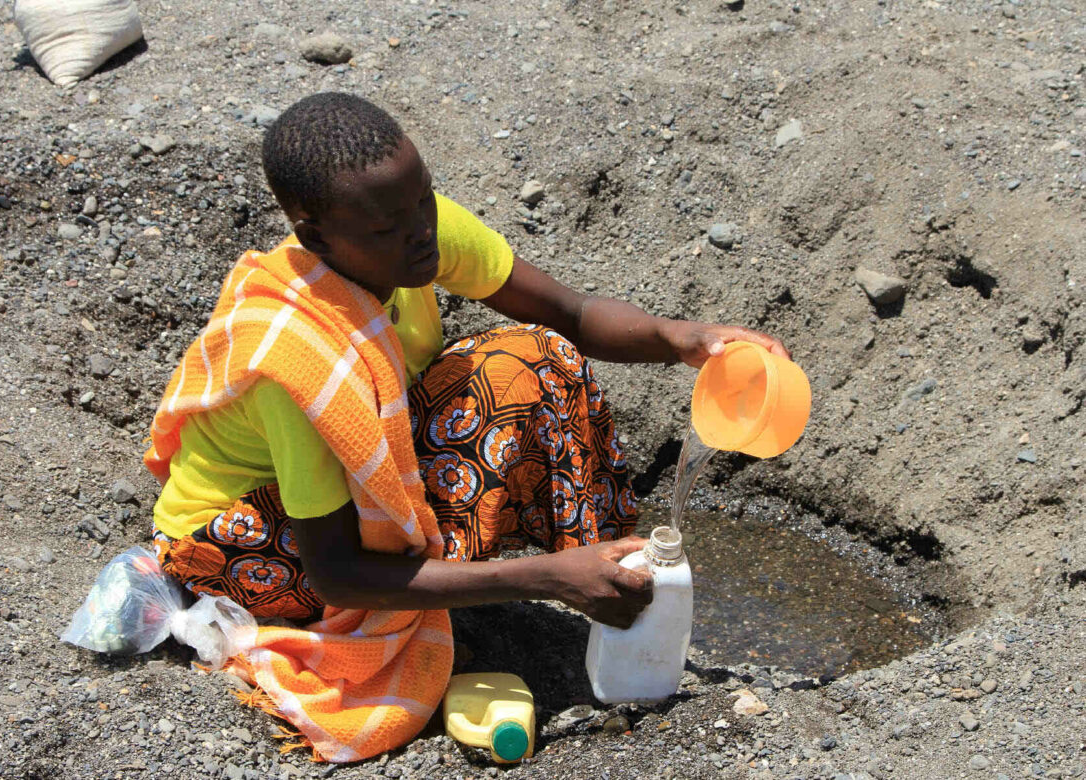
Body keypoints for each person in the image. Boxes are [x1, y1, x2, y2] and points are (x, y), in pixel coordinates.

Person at [143, 92, 789, 762]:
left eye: (424, 199)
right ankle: (569, 583)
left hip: (338, 515)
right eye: (390, 226)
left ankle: (605, 592)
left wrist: (682, 337)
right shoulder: (295, 361)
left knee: (536, 362)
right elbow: (336, 572)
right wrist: (542, 577)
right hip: (246, 551)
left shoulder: (408, 235)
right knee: (504, 383)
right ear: (316, 238)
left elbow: (569, 311)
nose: (421, 230)